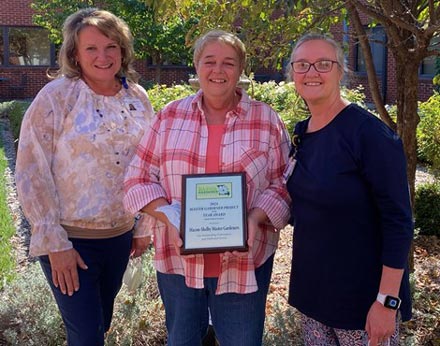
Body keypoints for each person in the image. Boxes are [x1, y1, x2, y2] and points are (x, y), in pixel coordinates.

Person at [123, 29, 291, 346]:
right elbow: (137, 179)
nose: (218, 70)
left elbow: (283, 182)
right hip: (178, 261)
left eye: (228, 62)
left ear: (241, 69)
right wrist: (169, 218)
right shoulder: (169, 116)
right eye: (209, 61)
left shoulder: (265, 119)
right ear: (196, 65)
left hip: (244, 261)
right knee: (183, 340)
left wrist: (255, 217)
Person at [15, 8, 154, 346]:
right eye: (91, 48)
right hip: (70, 240)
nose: (103, 56)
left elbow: (151, 164)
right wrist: (54, 242)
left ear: (122, 51)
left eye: (111, 46)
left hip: (120, 237)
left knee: (99, 326)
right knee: (87, 335)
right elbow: (32, 168)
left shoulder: (138, 99)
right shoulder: (57, 97)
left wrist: (143, 227)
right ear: (75, 54)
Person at [284, 33, 414, 346]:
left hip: (363, 302)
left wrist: (386, 301)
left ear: (341, 71)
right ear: (291, 73)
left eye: (323, 64)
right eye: (302, 65)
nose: (311, 72)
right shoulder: (303, 134)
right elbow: (303, 207)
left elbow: (398, 221)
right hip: (314, 296)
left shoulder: (369, 135)